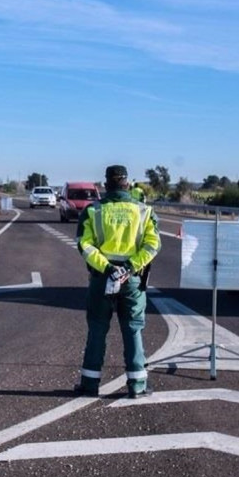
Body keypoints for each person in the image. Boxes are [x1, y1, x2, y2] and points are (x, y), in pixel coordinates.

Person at [73, 165, 161, 398]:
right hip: (132, 279)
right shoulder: (143, 211)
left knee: (97, 329)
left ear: (106, 184)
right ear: (127, 184)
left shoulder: (94, 211)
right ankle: (137, 386)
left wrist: (109, 268)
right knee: (133, 329)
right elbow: (153, 245)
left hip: (102, 278)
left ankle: (90, 385)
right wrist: (130, 268)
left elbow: (84, 245)